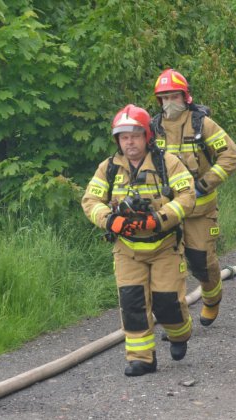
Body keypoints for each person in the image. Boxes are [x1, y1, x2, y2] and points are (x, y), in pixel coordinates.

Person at [82, 104, 196, 376]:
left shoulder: (167, 163)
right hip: (128, 250)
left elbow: (187, 196)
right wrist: (111, 220)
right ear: (117, 141)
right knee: (132, 305)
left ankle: (179, 334)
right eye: (123, 137)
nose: (129, 142)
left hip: (164, 246)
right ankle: (141, 358)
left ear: (147, 136)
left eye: (134, 135)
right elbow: (90, 200)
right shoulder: (108, 168)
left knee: (167, 304)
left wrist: (159, 218)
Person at [152, 69, 236, 327]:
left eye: (174, 96)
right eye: (164, 97)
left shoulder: (202, 124)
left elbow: (230, 155)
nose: (169, 102)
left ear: (185, 96)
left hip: (200, 210)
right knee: (168, 268)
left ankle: (212, 299)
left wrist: (204, 184)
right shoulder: (153, 129)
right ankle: (176, 321)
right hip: (167, 212)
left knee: (201, 262)